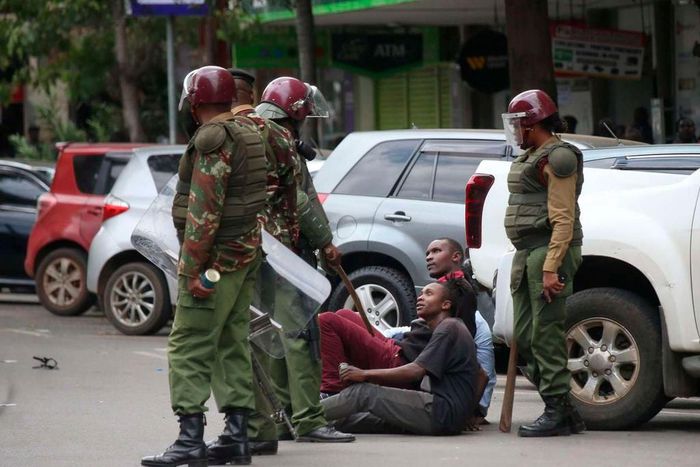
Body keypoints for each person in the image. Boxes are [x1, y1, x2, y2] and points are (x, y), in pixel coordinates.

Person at [141, 66, 267, 467]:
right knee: (231, 343)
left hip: (215, 264)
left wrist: (193, 270)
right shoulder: (250, 131)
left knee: (189, 345)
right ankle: (236, 438)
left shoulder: (213, 137)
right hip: (245, 255)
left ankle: (190, 440)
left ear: (195, 102)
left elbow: (204, 213)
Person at [241, 75, 353, 448]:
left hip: (255, 250)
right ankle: (308, 420)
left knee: (270, 333)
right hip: (284, 253)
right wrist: (325, 242)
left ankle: (285, 413)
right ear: (294, 112)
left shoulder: (249, 133)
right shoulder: (279, 140)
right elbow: (299, 201)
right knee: (301, 334)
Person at [501, 89, 585, 438]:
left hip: (550, 253)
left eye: (519, 124)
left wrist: (551, 266)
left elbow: (563, 219)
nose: (516, 132)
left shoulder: (559, 157)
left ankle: (555, 410)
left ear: (532, 124)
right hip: (528, 254)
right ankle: (566, 409)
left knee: (545, 335)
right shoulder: (534, 154)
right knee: (523, 335)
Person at [321, 280, 479, 436]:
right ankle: (312, 421)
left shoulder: (449, 327)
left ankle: (304, 418)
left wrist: (364, 374)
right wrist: (466, 415)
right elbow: (481, 374)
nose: (420, 297)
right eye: (422, 292)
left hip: (439, 413)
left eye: (428, 294)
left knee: (363, 393)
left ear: (445, 305)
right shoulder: (454, 327)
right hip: (448, 419)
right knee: (351, 420)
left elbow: (416, 370)